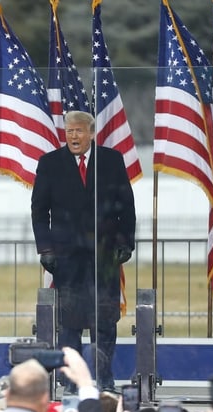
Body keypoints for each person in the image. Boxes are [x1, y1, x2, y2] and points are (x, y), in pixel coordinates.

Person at [31, 110, 136, 393]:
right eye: (70, 131)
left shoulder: (111, 161)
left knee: (104, 319)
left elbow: (126, 206)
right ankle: (71, 383)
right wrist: (46, 249)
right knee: (70, 323)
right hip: (67, 258)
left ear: (91, 133)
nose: (74, 136)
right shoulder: (50, 163)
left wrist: (125, 243)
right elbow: (39, 212)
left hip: (104, 256)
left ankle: (104, 380)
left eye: (79, 131)